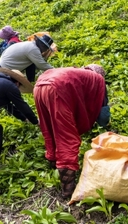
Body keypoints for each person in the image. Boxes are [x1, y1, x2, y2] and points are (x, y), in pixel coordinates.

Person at [33, 64, 110, 198]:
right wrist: (106, 126)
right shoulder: (98, 79)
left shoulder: (77, 74)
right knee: (66, 136)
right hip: (57, 88)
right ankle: (68, 187)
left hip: (39, 86)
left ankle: (52, 161)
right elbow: (103, 115)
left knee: (49, 127)